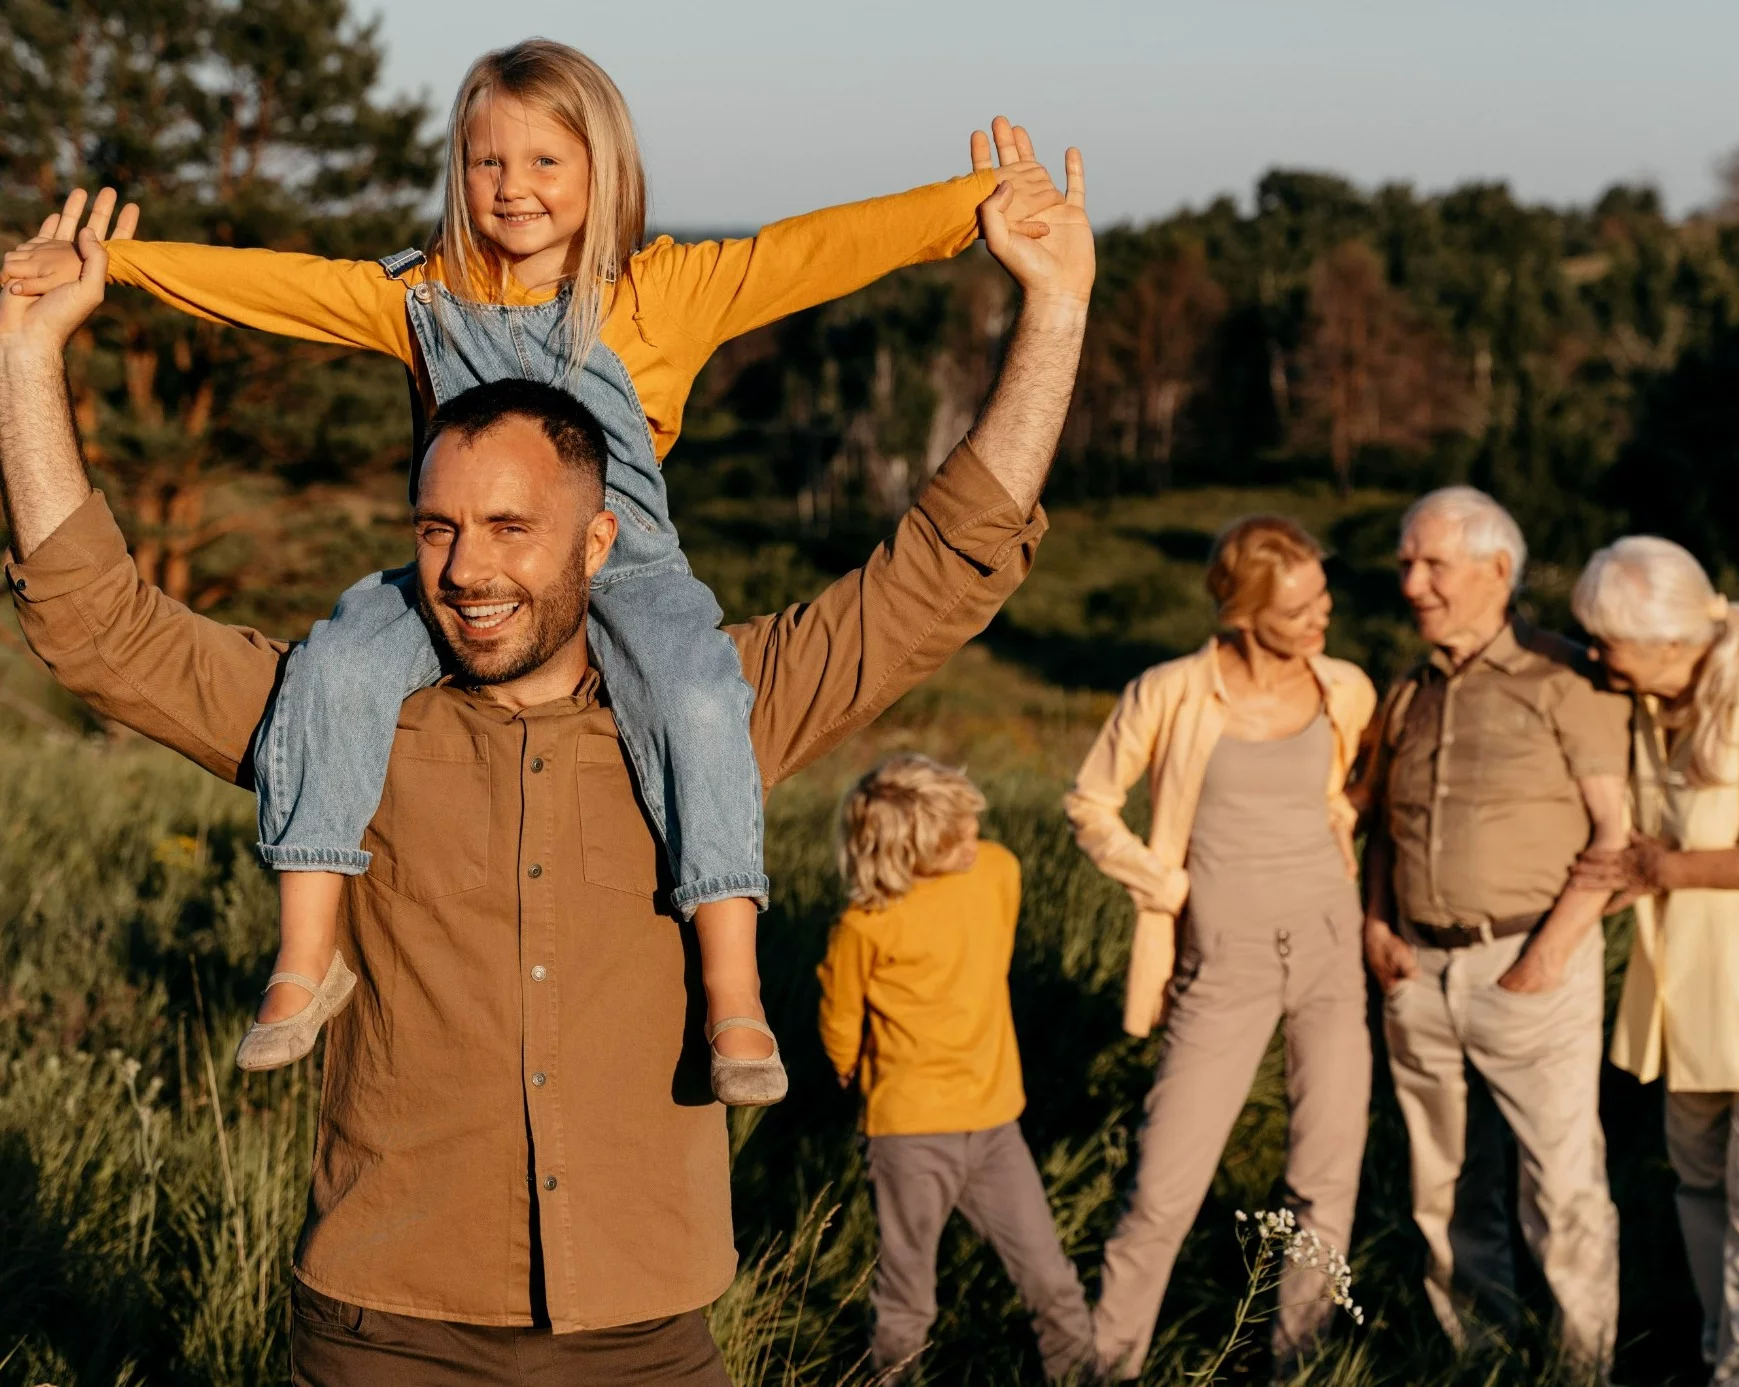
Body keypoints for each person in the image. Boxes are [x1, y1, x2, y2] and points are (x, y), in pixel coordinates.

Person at [0, 150, 1092, 1384]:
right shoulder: (335, 714)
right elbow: (95, 623)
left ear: (602, 535)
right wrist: (27, 358)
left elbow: (944, 567)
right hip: (379, 1327)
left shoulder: (716, 713)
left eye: (513, 528)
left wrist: (1052, 312)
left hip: (645, 1338)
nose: (469, 569)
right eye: (438, 527)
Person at [2, 40, 1065, 1097]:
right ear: (457, 173)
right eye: (486, 163)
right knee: (332, 674)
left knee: (700, 701)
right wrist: (119, 268)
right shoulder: (419, 301)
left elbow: (817, 249)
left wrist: (973, 204)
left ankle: (732, 990)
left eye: (545, 163)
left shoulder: (664, 294)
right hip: (461, 577)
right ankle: (305, 954)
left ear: (604, 172)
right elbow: (279, 290)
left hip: (631, 569)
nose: (512, 190)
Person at [1064, 517, 1377, 1377]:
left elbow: (1351, 790)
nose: (1321, 617)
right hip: (1220, 963)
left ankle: (1295, 1360)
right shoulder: (1168, 692)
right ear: (1240, 613)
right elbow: (1091, 802)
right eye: (1297, 608)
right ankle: (1110, 1365)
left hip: (1328, 950)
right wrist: (1165, 886)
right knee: (1164, 1187)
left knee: (1326, 1177)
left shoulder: (1344, 685)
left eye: (1322, 597)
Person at [1357, 486, 1628, 1374]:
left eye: (1432, 563)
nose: (1412, 584)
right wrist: (1376, 928)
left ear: (1497, 570)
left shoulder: (1565, 679)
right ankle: (1477, 1357)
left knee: (1561, 1181)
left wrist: (1547, 953)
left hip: (1529, 965)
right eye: (1406, 563)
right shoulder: (1407, 689)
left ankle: (1580, 1364)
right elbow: (1379, 829)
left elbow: (1617, 836)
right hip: (1416, 973)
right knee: (1444, 1187)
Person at [1568, 537, 1739, 1387]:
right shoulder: (1652, 705)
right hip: (1690, 1000)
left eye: (1603, 639)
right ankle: (1722, 1348)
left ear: (1665, 639)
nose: (1592, 655)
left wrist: (1665, 869)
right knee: (1697, 1180)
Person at [817, 754, 1096, 1382]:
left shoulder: (999, 869)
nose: (974, 842)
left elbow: (983, 959)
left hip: (997, 1124)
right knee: (906, 1298)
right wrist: (849, 1070)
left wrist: (849, 1063)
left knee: (1051, 1281)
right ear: (901, 850)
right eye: (955, 838)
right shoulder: (863, 926)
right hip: (908, 1138)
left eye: (972, 825)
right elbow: (840, 1017)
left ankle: (1085, 1377)